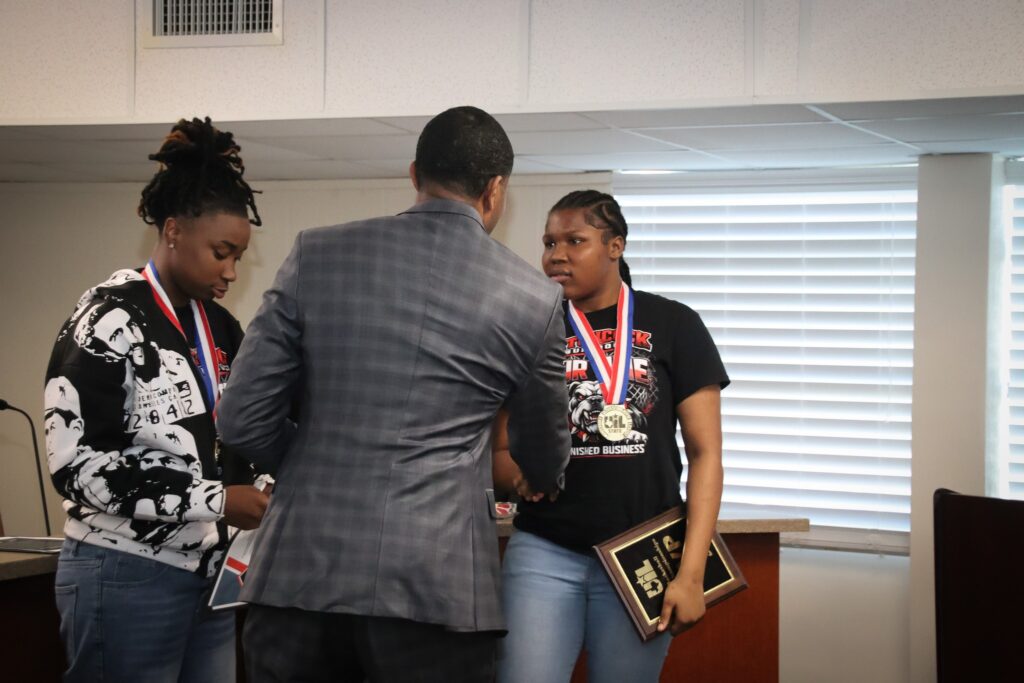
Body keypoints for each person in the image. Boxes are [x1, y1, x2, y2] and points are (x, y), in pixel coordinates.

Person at [216, 105, 571, 683]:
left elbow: (241, 418)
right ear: (495, 189)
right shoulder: (534, 298)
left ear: (413, 174)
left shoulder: (316, 253)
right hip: (437, 589)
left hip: (299, 577)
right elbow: (543, 444)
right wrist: (544, 475)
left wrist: (311, 463)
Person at [44, 117, 271, 683]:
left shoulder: (220, 327)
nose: (230, 271)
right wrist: (218, 500)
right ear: (173, 230)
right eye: (221, 252)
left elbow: (234, 436)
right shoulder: (107, 320)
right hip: (125, 570)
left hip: (211, 574)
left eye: (238, 257)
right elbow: (77, 469)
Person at [494, 190, 729, 683]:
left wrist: (690, 574)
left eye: (574, 241)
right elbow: (499, 447)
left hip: (642, 552)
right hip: (545, 551)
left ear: (615, 246)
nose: (556, 255)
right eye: (549, 243)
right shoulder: (528, 328)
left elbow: (706, 454)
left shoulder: (675, 323)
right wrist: (519, 477)